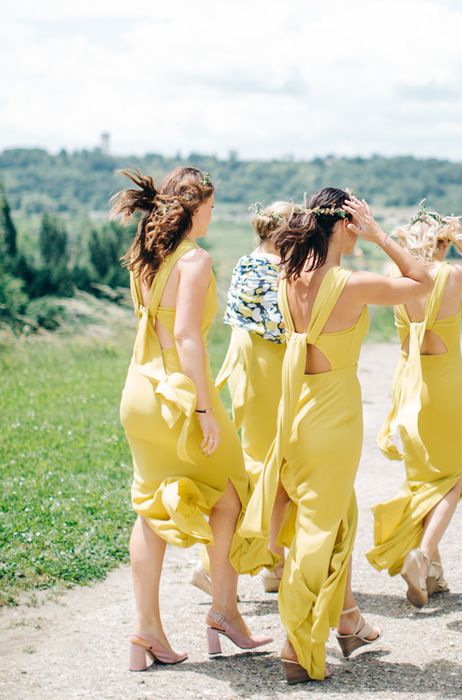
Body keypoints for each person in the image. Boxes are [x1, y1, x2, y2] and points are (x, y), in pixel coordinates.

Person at [240, 188, 433, 683]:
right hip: (333, 419)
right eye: (358, 222)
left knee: (335, 513)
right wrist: (380, 234)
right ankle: (294, 645)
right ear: (346, 224)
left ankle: (347, 622)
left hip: (295, 414)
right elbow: (423, 280)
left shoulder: (289, 276)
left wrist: (362, 228)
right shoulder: (350, 283)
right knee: (317, 530)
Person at [112, 167, 271, 672]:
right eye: (211, 205)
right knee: (231, 492)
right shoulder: (195, 260)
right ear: (194, 207)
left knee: (151, 509)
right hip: (178, 395)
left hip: (138, 392)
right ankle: (224, 612)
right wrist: (204, 410)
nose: (214, 213)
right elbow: (186, 338)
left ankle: (147, 630)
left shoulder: (145, 257)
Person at [366, 206, 462, 607]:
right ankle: (422, 556)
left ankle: (434, 575)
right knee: (451, 479)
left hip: (409, 382)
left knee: (423, 477)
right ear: (441, 242)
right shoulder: (452, 274)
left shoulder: (395, 278)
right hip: (445, 383)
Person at [190, 201, 293, 597]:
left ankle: (274, 559)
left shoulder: (249, 262)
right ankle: (212, 564)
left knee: (276, 464)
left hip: (250, 363)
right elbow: (281, 326)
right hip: (266, 366)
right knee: (266, 464)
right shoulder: (273, 268)